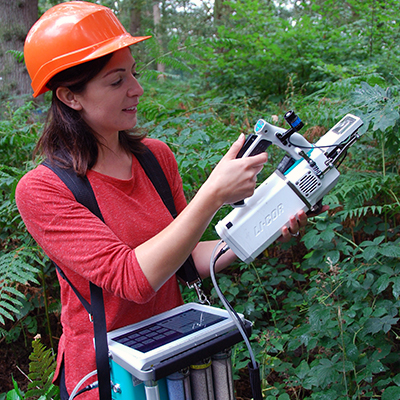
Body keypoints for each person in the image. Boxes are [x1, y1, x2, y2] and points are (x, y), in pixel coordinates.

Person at [16, 2, 314, 399]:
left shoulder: (156, 158)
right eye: (116, 81)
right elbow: (132, 280)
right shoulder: (45, 189)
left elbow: (185, 262)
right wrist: (211, 194)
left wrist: (265, 226)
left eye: (134, 74)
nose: (136, 89)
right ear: (71, 96)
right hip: (110, 379)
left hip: (176, 360)